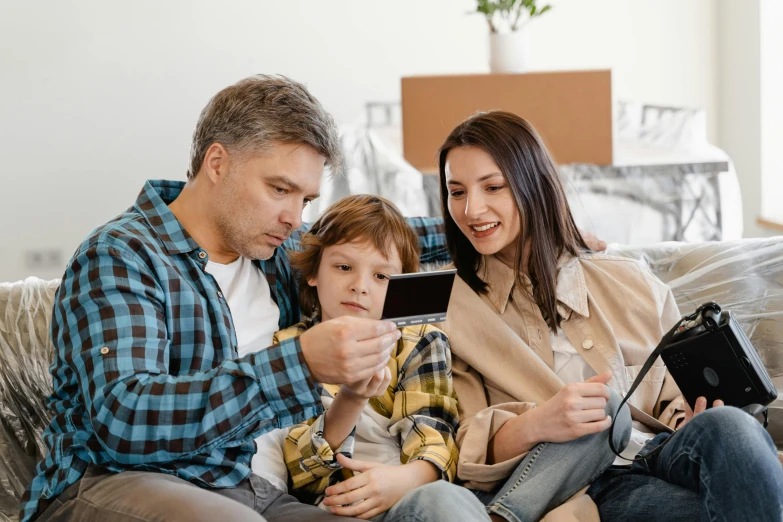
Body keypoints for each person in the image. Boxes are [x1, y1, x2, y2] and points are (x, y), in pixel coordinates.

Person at [20, 75, 449, 522]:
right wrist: (298, 364)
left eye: (305, 199)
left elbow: (382, 241)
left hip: (256, 492)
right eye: (279, 189)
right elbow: (125, 418)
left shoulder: (278, 253)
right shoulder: (121, 255)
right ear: (218, 162)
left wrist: (493, 220)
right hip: (117, 481)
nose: (292, 216)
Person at [436, 110, 783, 522]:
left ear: (535, 186)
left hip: (662, 451)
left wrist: (691, 414)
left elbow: (673, 397)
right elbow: (464, 447)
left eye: (493, 187)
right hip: (583, 486)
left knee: (733, 427)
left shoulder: (625, 279)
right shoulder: (449, 304)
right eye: (456, 192)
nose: (472, 209)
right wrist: (538, 423)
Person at [271, 194, 490, 521]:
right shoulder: (289, 347)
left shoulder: (418, 340)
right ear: (314, 272)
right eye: (344, 267)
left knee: (444, 499)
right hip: (333, 506)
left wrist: (403, 481)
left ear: (401, 286)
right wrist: (352, 396)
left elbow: (435, 438)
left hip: (410, 496)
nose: (360, 286)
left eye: (381, 276)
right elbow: (299, 472)